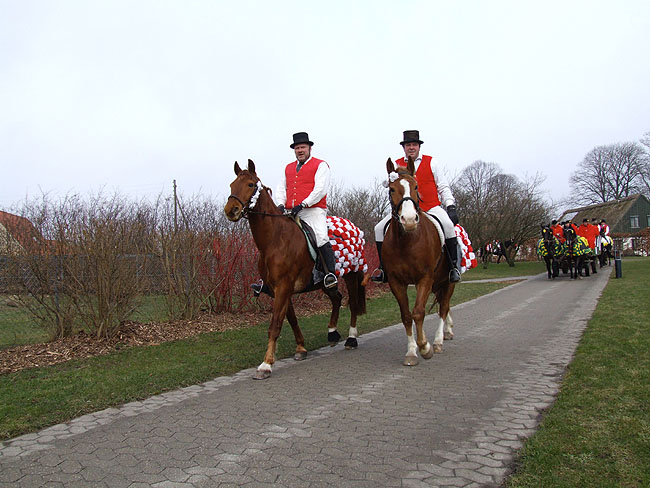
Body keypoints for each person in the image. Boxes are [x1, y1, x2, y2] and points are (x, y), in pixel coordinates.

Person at [371, 130, 461, 283]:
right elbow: (388, 184)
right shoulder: (397, 163)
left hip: (431, 207)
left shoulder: (431, 162)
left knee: (448, 226)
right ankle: (383, 268)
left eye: (414, 144)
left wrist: (450, 205)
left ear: (419, 147)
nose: (411, 147)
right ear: (404, 147)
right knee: (378, 228)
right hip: (406, 209)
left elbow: (443, 185)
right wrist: (390, 178)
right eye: (408, 145)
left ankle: (453, 268)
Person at [275, 131, 338, 289]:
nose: (300, 150)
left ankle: (329, 274)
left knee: (321, 236)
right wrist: (281, 204)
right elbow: (281, 187)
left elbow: (320, 189)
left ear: (309, 148)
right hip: (290, 212)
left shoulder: (321, 165)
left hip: (313, 210)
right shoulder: (288, 168)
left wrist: (303, 204)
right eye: (297, 148)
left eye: (302, 147)